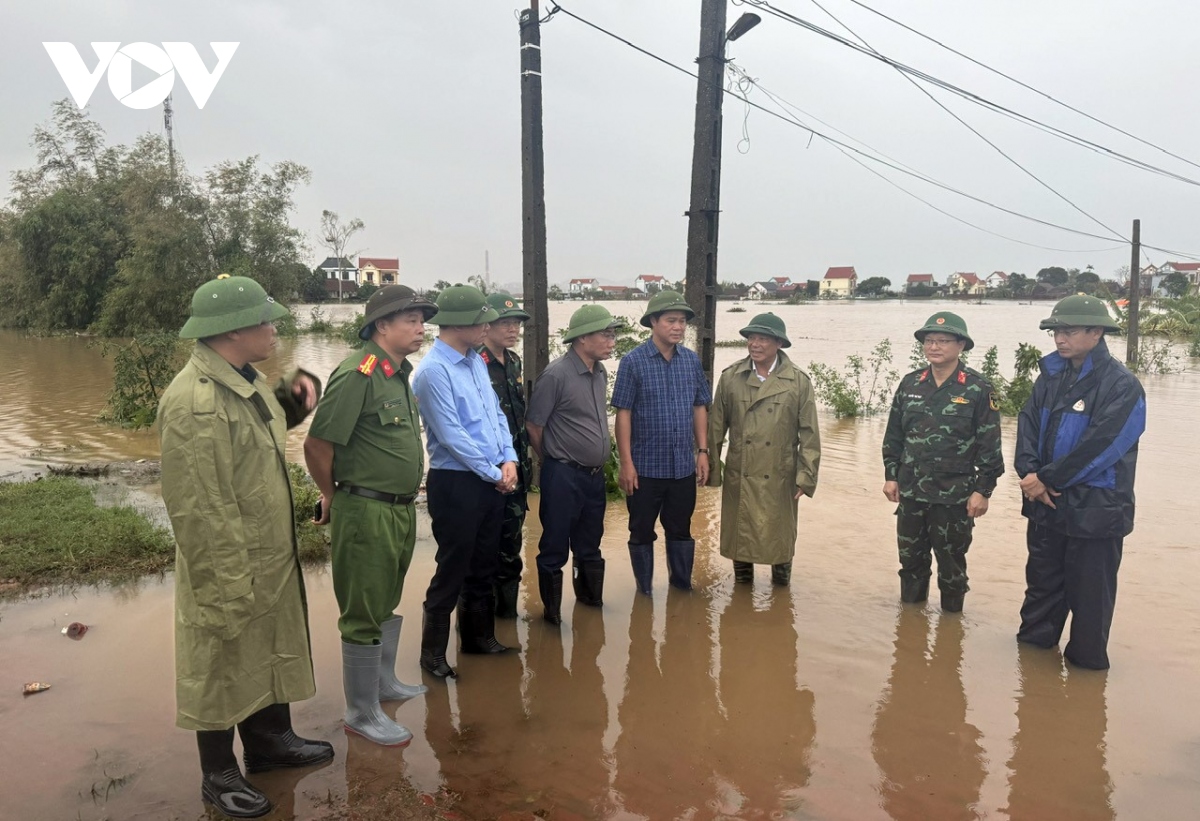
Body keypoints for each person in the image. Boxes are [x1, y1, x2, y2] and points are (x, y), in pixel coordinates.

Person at [159, 275, 331, 820]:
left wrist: (299, 396)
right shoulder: (194, 405)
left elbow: (263, 432)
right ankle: (219, 773)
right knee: (221, 654)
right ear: (233, 330)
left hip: (267, 550)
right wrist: (225, 584)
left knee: (265, 645)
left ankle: (268, 743)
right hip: (229, 558)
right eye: (265, 320)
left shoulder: (246, 378)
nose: (273, 328)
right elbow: (200, 509)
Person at [304, 285, 436, 747]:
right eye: (412, 320)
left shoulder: (397, 373)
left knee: (383, 600)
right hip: (365, 508)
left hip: (397, 510)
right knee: (361, 611)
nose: (422, 328)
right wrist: (329, 494)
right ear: (382, 325)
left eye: (422, 320)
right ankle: (361, 713)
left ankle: (382, 686)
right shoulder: (358, 374)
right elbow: (317, 444)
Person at [1015, 294, 1146, 670]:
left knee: (1091, 602)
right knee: (1041, 593)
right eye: (1056, 330)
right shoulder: (1050, 377)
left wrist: (1047, 478)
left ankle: (1086, 687)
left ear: (1096, 332)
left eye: (1068, 331)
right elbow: (1027, 426)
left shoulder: (1122, 385)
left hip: (1096, 513)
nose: (1059, 338)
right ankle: (1031, 678)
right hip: (1046, 508)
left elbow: (1103, 446)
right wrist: (1028, 473)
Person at [412, 285, 519, 679]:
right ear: (459, 323)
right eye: (482, 320)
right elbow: (453, 437)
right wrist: (496, 474)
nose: (488, 325)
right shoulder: (431, 372)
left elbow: (496, 416)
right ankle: (433, 655)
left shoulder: (475, 360)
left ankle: (479, 638)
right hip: (457, 484)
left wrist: (509, 459)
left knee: (485, 563)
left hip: (492, 479)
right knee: (452, 567)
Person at [881, 311, 1003, 613]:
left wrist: (983, 491)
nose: (934, 347)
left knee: (951, 567)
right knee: (910, 563)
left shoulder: (977, 388)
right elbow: (894, 435)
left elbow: (990, 446)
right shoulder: (910, 384)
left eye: (943, 341)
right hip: (911, 493)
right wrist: (891, 475)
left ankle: (951, 634)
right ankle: (911, 626)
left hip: (954, 497)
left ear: (961, 345)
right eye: (929, 341)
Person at [525, 304, 623, 623]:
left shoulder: (599, 372)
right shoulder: (556, 375)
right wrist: (553, 460)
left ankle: (589, 605)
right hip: (562, 475)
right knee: (554, 546)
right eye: (605, 335)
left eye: (613, 335)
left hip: (593, 478)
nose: (612, 341)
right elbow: (534, 426)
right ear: (582, 338)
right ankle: (551, 616)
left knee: (590, 545)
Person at [708, 313, 821, 585]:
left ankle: (781, 601)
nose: (755, 344)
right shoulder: (731, 377)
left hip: (780, 474)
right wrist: (712, 471)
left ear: (779, 343)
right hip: (741, 470)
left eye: (763, 339)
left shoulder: (798, 381)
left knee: (779, 538)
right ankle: (742, 593)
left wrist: (806, 477)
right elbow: (716, 429)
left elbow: (809, 434)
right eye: (751, 338)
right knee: (740, 537)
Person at [612, 290, 712, 594]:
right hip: (645, 468)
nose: (678, 327)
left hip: (682, 466)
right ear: (653, 322)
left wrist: (703, 451)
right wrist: (626, 464)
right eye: (671, 320)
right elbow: (624, 414)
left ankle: (681, 587)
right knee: (641, 532)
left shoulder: (691, 361)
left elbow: (699, 406)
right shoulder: (633, 362)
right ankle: (644, 591)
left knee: (681, 531)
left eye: (682, 321)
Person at [477, 292, 533, 618]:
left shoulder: (513, 362)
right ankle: (478, 625)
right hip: (488, 475)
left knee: (511, 549)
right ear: (485, 325)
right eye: (504, 322)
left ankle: (506, 619)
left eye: (516, 322)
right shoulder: (475, 363)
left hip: (518, 473)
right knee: (483, 551)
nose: (513, 329)